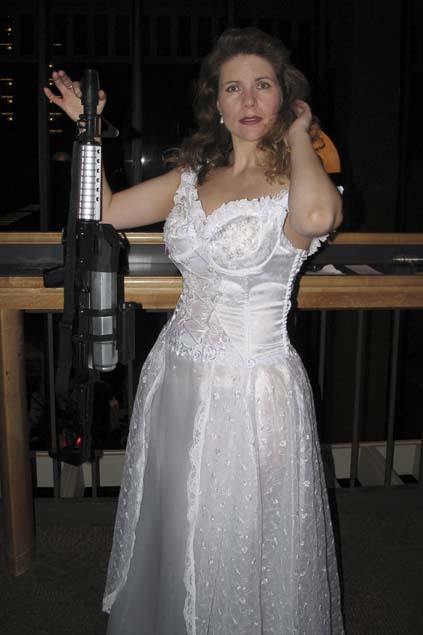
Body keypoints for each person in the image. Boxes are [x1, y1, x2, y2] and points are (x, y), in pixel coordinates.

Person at [44, 27, 344, 635]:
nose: (249, 99)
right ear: (217, 103)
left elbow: (318, 216)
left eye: (263, 85)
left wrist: (298, 132)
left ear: (285, 97)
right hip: (175, 375)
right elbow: (104, 212)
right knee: (179, 518)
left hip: (250, 388)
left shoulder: (296, 183)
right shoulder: (192, 177)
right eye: (233, 88)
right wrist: (88, 129)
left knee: (234, 529)